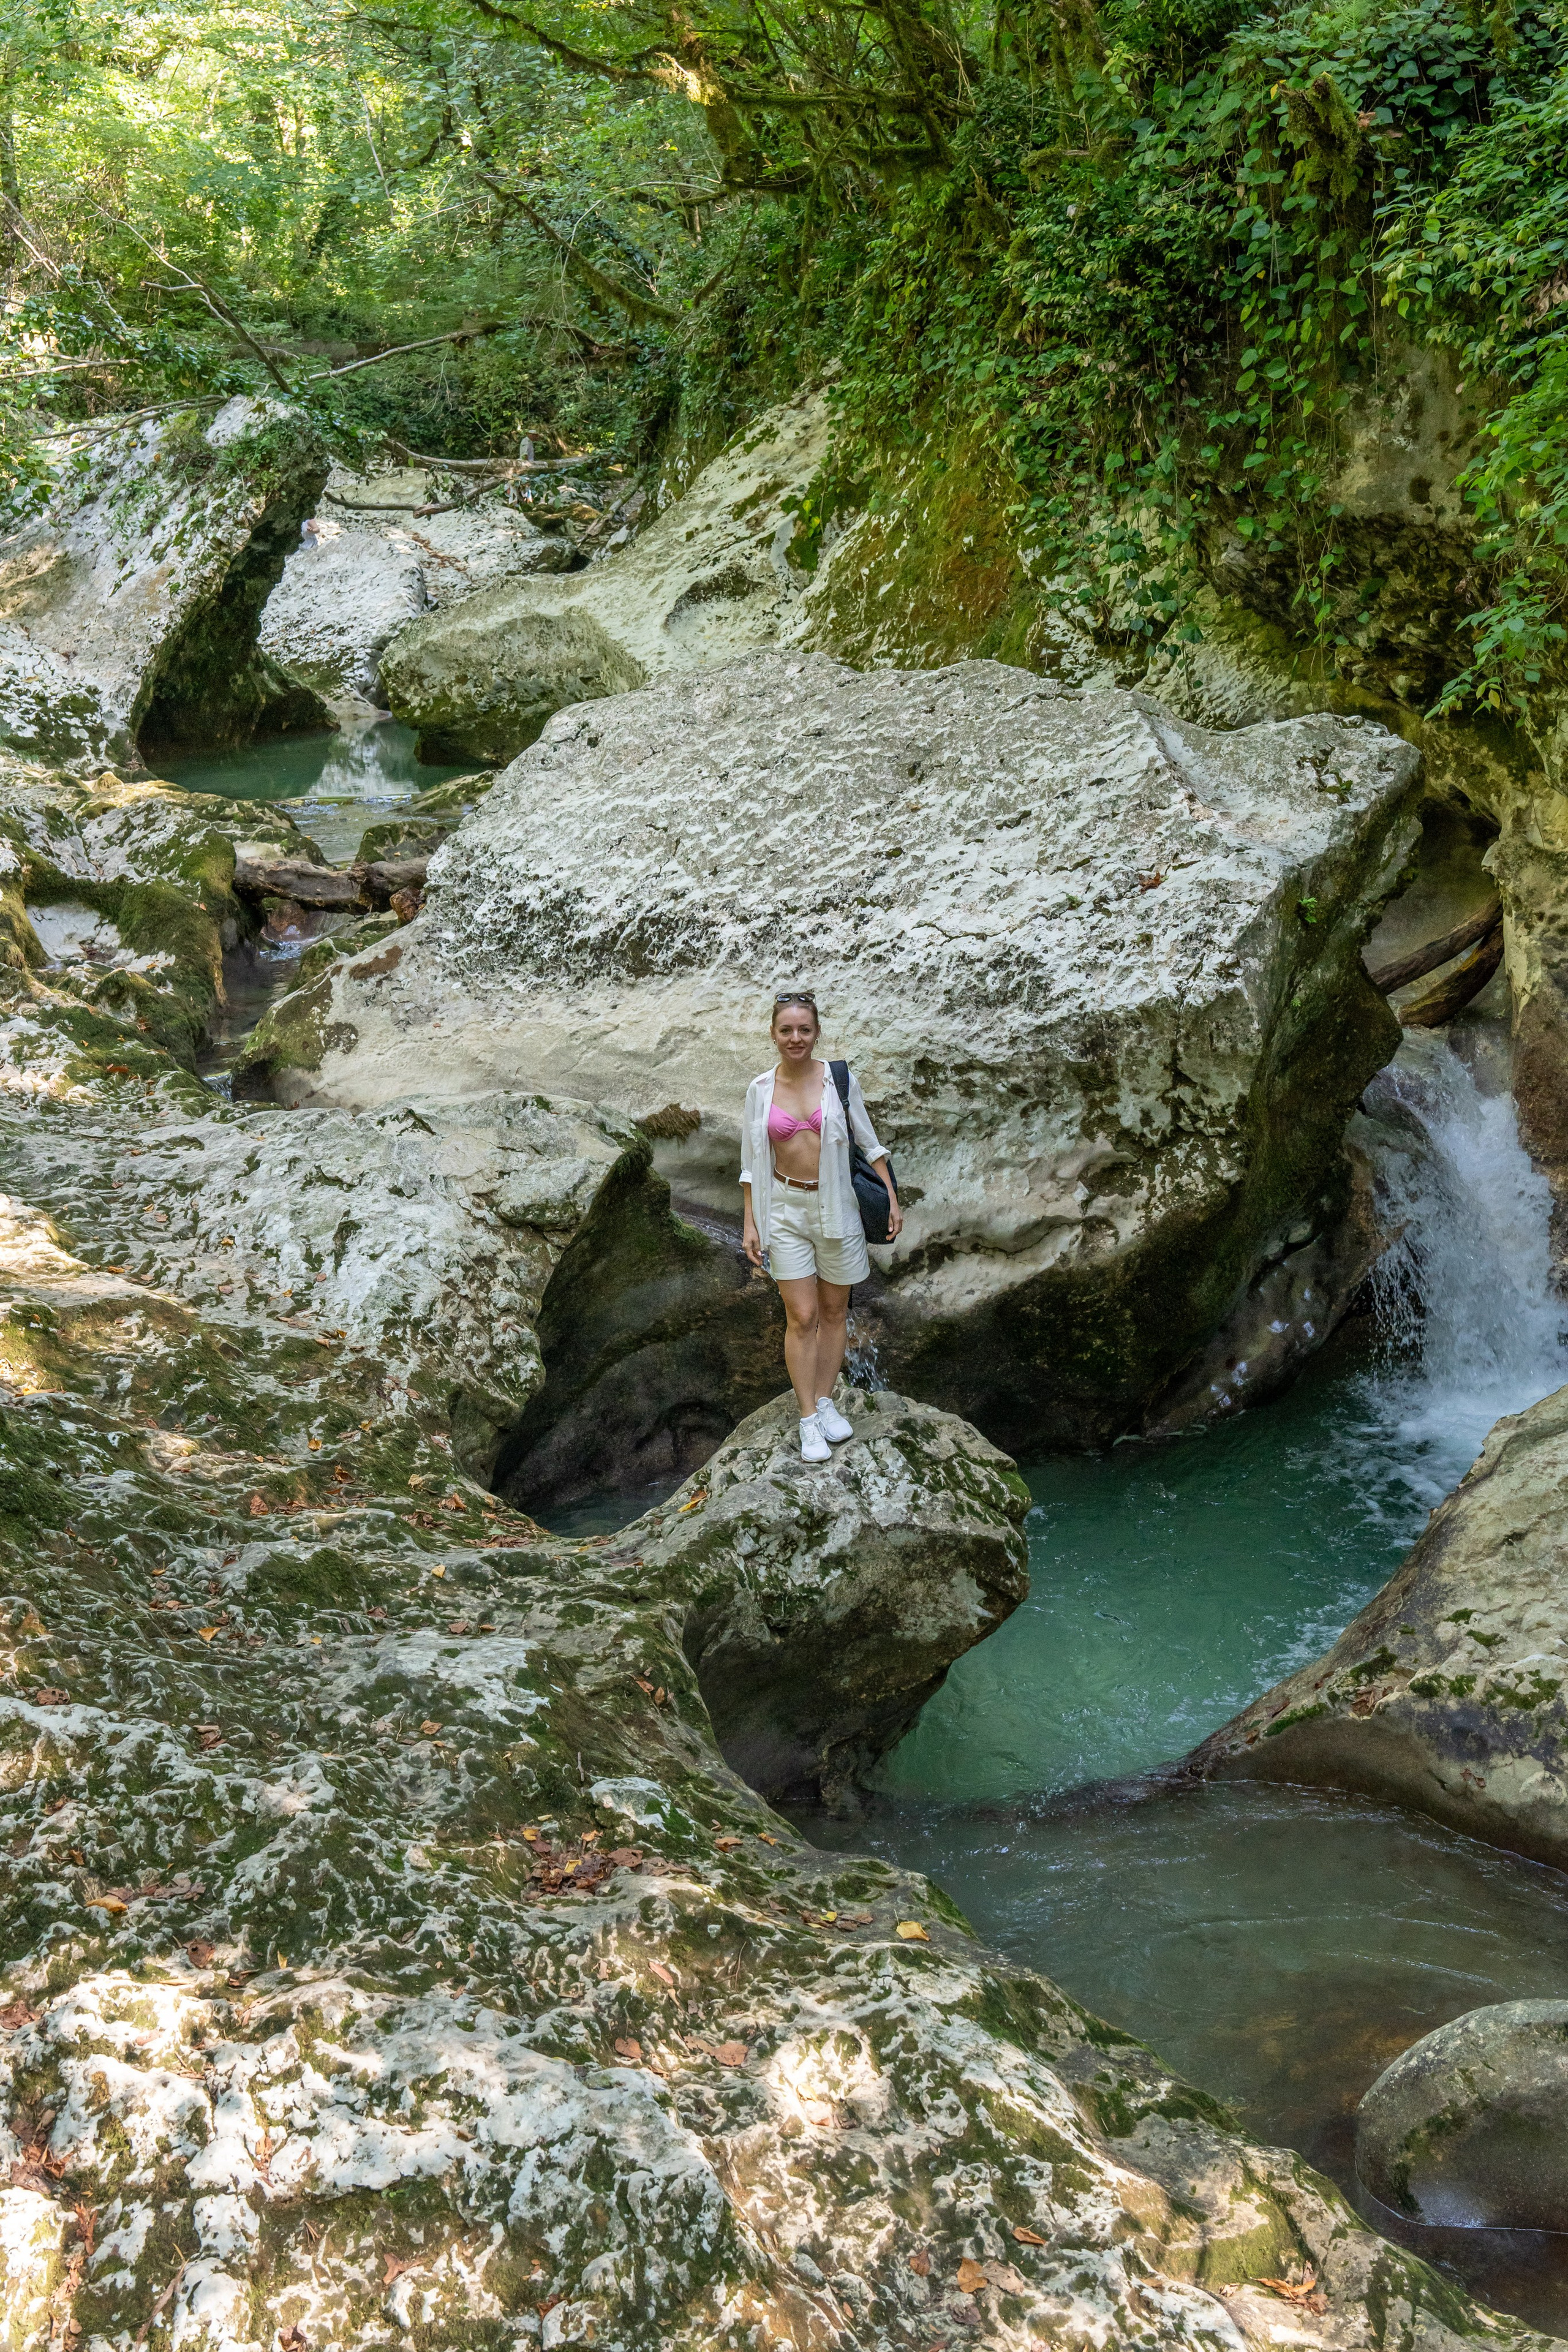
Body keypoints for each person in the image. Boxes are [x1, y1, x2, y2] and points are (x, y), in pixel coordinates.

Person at [740, 990, 902, 1460]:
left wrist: (891, 1199)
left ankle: (827, 1401)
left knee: (834, 1313)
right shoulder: (759, 1090)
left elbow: (870, 1145)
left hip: (837, 1206)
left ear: (816, 1034)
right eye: (786, 1030)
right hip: (785, 1209)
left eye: (804, 1030)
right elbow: (750, 1163)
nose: (796, 1038)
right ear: (773, 1034)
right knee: (803, 1316)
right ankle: (808, 1419)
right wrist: (751, 1221)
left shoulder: (838, 1081)